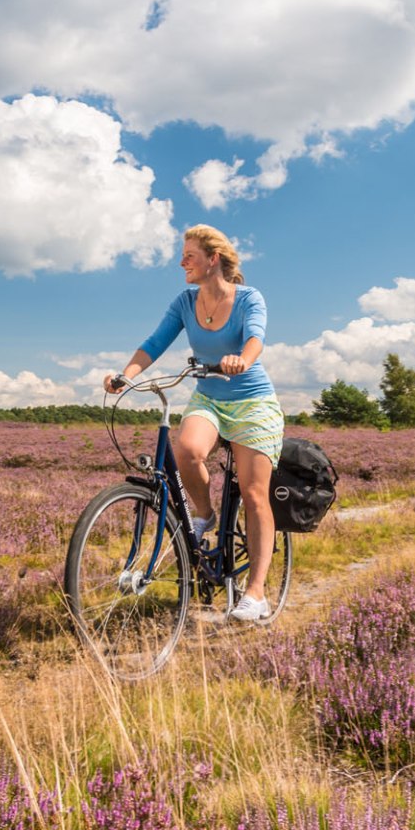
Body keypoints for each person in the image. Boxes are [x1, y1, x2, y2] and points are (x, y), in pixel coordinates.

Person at [103, 224, 284, 623]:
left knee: (255, 495)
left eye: (189, 255)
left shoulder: (248, 298)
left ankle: (256, 594)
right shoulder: (185, 301)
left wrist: (243, 360)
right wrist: (127, 374)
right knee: (185, 448)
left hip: (252, 401)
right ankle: (204, 513)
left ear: (212, 259)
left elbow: (255, 338)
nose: (182, 261)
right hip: (209, 397)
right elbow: (154, 342)